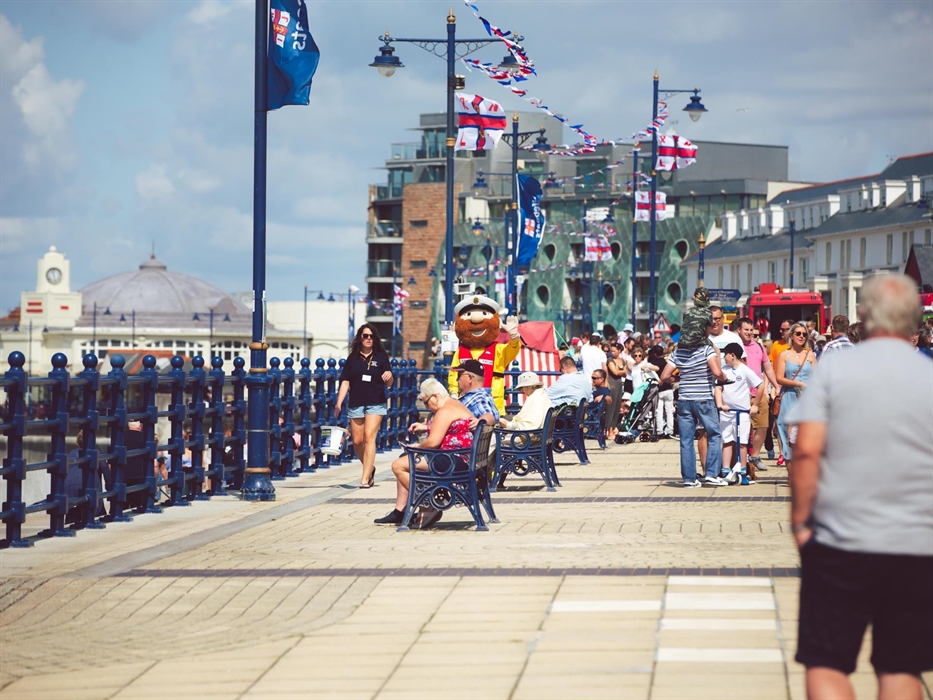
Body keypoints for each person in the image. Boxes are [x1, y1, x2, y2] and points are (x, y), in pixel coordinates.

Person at [789, 274, 933, 700]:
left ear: (864, 315)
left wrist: (800, 523)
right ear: (915, 319)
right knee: (901, 668)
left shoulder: (836, 368)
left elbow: (808, 451)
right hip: (916, 543)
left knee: (828, 663)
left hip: (840, 539)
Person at [376, 378, 476, 528]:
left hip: (453, 460)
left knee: (398, 466)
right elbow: (448, 428)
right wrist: (425, 428)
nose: (427, 407)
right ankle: (401, 511)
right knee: (406, 460)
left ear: (435, 396)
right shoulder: (453, 405)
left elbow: (433, 442)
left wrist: (417, 447)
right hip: (460, 457)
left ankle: (429, 504)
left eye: (426, 402)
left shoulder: (445, 411)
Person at [659, 338, 730, 487]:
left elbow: (664, 377)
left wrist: (680, 377)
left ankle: (689, 479)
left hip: (684, 400)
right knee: (715, 434)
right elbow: (717, 372)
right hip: (704, 399)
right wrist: (724, 378)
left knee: (686, 440)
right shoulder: (706, 350)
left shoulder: (677, 352)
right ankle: (711, 474)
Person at [335, 324, 394, 488]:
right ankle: (370, 468)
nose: (368, 339)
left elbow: (389, 383)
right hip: (356, 402)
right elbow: (345, 381)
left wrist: (389, 376)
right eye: (365, 336)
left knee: (369, 438)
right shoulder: (352, 358)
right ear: (360, 338)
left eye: (371, 336)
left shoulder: (381, 357)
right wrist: (339, 403)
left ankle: (365, 478)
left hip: (376, 401)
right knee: (357, 441)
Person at [736, 317, 780, 477]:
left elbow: (767, 368)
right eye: (745, 330)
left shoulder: (759, 347)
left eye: (750, 330)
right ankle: (741, 459)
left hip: (759, 392)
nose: (748, 333)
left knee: (763, 425)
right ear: (739, 330)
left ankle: (754, 455)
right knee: (743, 429)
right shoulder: (735, 346)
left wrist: (776, 386)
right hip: (741, 393)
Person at [715, 343, 763, 484]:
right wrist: (720, 404)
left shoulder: (745, 370)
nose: (724, 358)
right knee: (727, 441)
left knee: (742, 443)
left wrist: (755, 405)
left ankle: (742, 470)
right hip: (727, 412)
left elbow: (760, 386)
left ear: (732, 355)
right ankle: (725, 470)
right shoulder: (723, 371)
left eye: (726, 355)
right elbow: (718, 388)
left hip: (742, 412)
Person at [775, 321, 817, 479]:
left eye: (804, 334)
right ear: (791, 336)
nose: (801, 336)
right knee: (787, 434)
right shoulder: (784, 355)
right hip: (789, 397)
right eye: (798, 333)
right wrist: (798, 383)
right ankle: (791, 475)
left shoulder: (810, 354)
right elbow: (779, 378)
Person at [451, 359, 499, 429]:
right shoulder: (485, 395)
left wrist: (481, 421)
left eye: (459, 376)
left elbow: (489, 415)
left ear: (470, 378)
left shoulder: (477, 398)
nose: (457, 380)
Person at [648, 345, 674, 438]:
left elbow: (650, 368)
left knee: (659, 411)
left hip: (659, 390)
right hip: (669, 389)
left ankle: (659, 431)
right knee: (669, 411)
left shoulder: (654, 363)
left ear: (654, 353)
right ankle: (670, 430)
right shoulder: (667, 363)